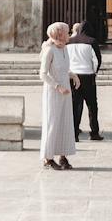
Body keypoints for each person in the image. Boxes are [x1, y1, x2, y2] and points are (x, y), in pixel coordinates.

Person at [39, 22, 77, 170]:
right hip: (53, 92)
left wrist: (73, 75)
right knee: (52, 123)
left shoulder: (64, 49)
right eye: (67, 32)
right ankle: (48, 158)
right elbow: (43, 74)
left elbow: (63, 70)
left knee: (65, 122)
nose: (69, 35)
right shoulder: (50, 50)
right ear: (59, 35)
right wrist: (57, 86)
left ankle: (63, 155)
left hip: (65, 91)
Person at [67, 21, 103, 142]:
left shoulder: (69, 42)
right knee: (92, 105)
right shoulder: (91, 41)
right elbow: (97, 60)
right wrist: (94, 72)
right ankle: (94, 132)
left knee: (75, 105)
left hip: (73, 76)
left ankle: (74, 133)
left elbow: (65, 58)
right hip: (88, 76)